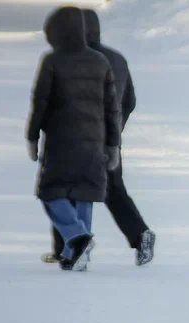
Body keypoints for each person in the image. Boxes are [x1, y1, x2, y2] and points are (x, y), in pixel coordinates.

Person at [44, 9, 154, 267]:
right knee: (114, 190)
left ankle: (67, 248)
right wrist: (115, 129)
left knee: (64, 187)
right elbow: (130, 101)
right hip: (109, 139)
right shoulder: (118, 58)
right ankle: (141, 234)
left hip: (76, 138)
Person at [26, 5, 120, 271]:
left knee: (51, 192)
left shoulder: (52, 60)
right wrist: (112, 144)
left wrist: (32, 137)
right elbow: (112, 108)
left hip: (60, 141)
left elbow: (40, 102)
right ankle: (76, 255)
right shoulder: (100, 61)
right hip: (93, 142)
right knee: (84, 193)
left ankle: (77, 237)